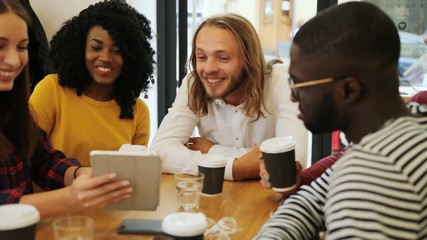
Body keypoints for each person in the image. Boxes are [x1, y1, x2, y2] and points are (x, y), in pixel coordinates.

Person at [255, 2, 427, 239]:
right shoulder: (414, 120)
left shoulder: (373, 174)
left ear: (348, 90)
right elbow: (309, 202)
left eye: (298, 85)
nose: (293, 96)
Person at [0, 0, 132, 218]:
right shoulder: (52, 88)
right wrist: (68, 199)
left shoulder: (12, 109)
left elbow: (44, 159)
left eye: (22, 47)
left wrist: (80, 174)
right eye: (0, 45)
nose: (14, 60)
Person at [150, 14, 308, 181]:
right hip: (217, 199)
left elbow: (291, 162)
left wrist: (213, 151)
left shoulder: (283, 81)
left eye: (223, 58)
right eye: (202, 57)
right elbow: (159, 152)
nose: (209, 68)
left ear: (248, 60)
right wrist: (235, 168)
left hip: (272, 199)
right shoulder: (193, 83)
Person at [29, 0, 155, 166]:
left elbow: (133, 174)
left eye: (117, 51)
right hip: (55, 191)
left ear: (132, 57)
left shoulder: (138, 111)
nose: (105, 57)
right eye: (96, 47)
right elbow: (28, 158)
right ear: (80, 49)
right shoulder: (51, 90)